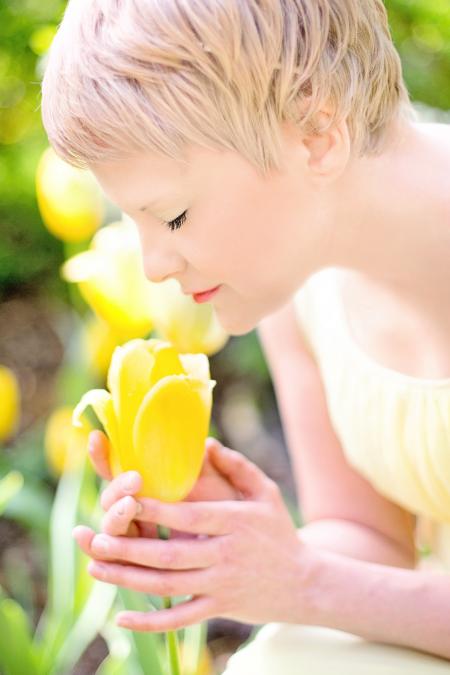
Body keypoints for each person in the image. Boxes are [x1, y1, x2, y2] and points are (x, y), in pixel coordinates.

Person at [40, 0, 450, 670]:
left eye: (170, 217)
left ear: (317, 132)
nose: (152, 265)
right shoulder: (305, 288)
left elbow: (339, 587)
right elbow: (370, 538)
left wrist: (312, 584)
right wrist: (238, 546)